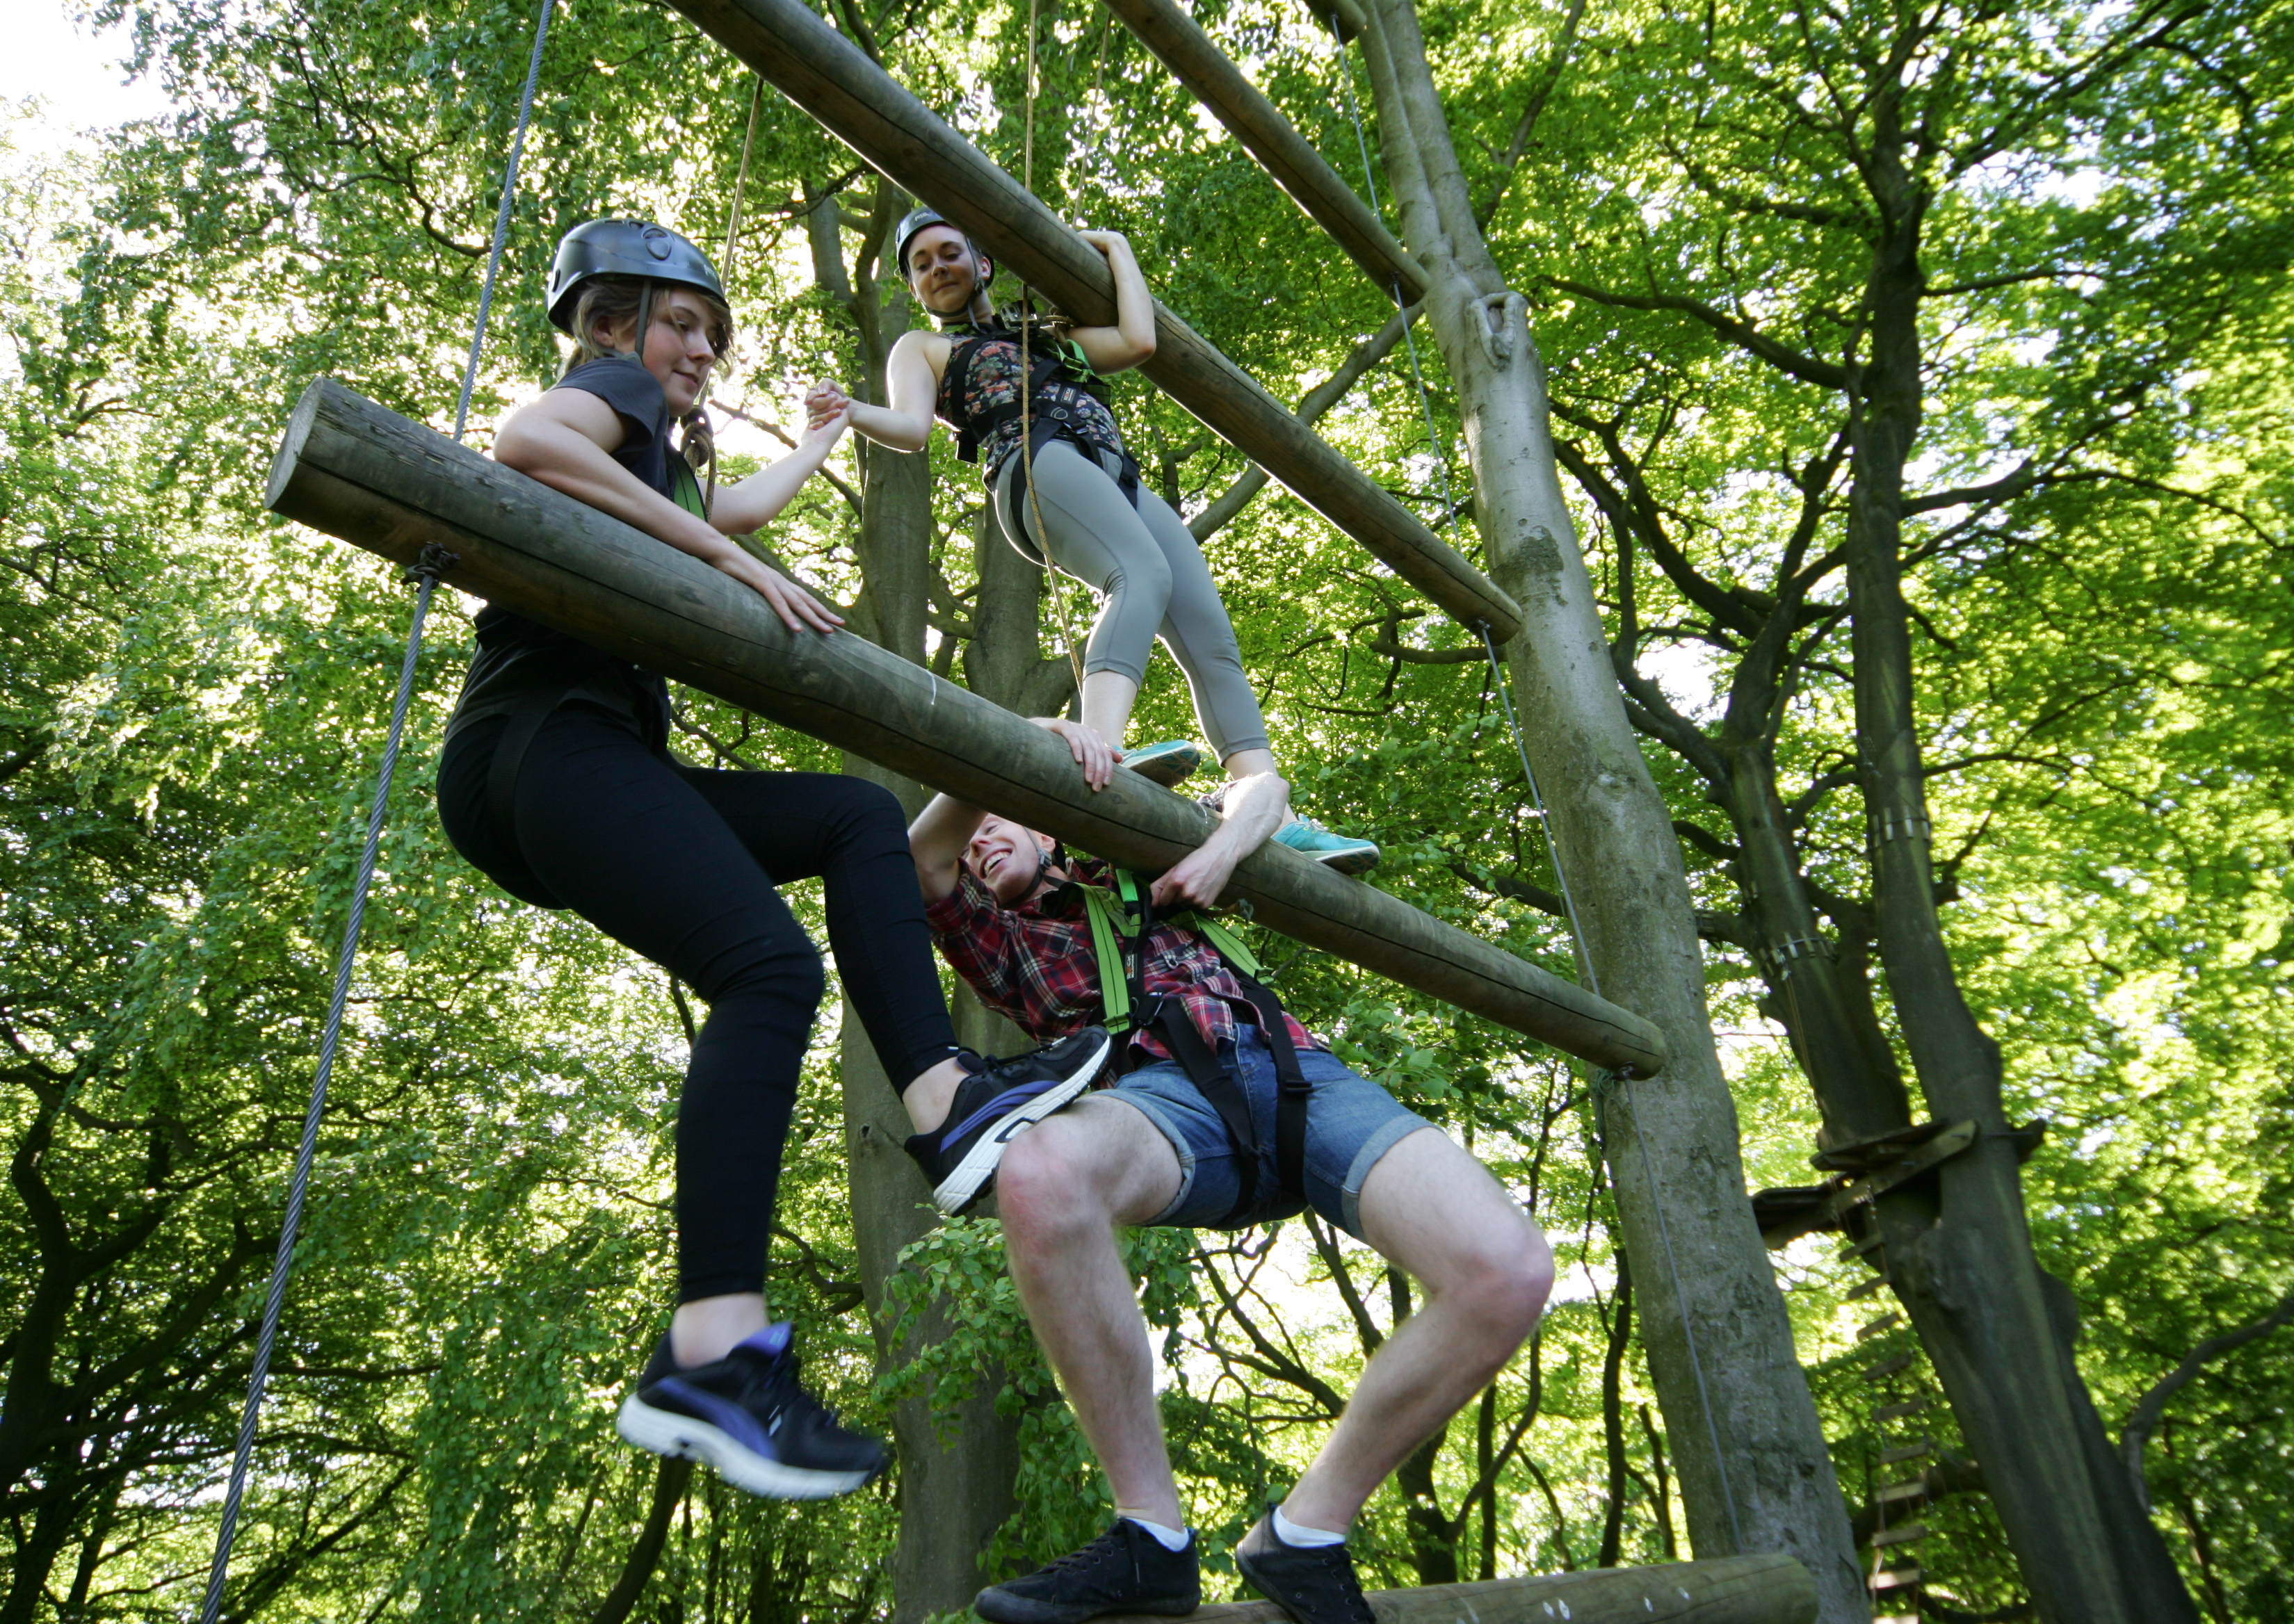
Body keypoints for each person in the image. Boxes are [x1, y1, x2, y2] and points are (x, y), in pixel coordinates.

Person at [436, 218, 1113, 1502]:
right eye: (682, 321)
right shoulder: (608, 387)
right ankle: (710, 1353)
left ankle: (939, 1101)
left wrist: (820, 434)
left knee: (852, 819)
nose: (700, 349)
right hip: (540, 741)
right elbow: (525, 444)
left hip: (589, 756)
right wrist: (724, 557)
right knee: (767, 969)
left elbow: (729, 503)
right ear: (607, 320)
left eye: (710, 332)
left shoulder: (656, 451)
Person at [906, 722, 1556, 1624]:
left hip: (1296, 1076)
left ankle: (1306, 1533)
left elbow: (1263, 794)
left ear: (1050, 828)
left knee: (1509, 1269)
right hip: (1153, 1107)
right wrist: (1014, 748)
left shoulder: (1142, 844)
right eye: (980, 838)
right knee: (1041, 1170)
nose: (983, 841)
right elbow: (924, 858)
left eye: (1004, 826)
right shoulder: (999, 940)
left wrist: (1221, 853)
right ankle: (1151, 1537)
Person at [808, 206, 1380, 875]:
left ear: (983, 262)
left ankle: (1271, 812)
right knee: (1139, 574)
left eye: (949, 252)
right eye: (922, 264)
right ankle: (1099, 745)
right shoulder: (928, 348)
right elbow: (909, 428)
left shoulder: (1047, 337)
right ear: (913, 287)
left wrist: (1116, 246)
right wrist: (850, 412)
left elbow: (1138, 342)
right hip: (1032, 463)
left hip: (1114, 474)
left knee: (1209, 634)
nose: (938, 268)